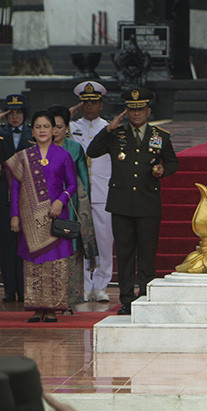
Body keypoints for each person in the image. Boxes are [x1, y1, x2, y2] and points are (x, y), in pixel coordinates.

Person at [86, 87, 178, 315]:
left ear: (148, 111)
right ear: (126, 112)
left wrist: (162, 170)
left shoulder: (160, 136)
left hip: (148, 202)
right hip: (121, 203)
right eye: (132, 110)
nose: (136, 115)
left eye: (140, 110)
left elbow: (173, 163)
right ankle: (126, 298)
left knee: (147, 253)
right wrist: (107, 130)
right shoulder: (116, 134)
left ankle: (146, 295)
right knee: (125, 253)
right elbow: (92, 151)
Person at [4, 111, 79, 323]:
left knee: (55, 264)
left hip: (55, 216)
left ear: (54, 130)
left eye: (47, 126)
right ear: (32, 130)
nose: (43, 130)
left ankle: (52, 308)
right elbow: (16, 190)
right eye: (38, 127)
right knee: (33, 263)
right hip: (29, 219)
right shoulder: (24, 156)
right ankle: (37, 308)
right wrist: (15, 216)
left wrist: (60, 200)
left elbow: (72, 184)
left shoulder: (63, 155)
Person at [69, 81, 113, 304]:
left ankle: (101, 286)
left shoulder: (109, 128)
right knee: (83, 242)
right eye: (85, 103)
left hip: (103, 193)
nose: (89, 107)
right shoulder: (72, 127)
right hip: (80, 193)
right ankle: (85, 285)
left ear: (101, 104)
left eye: (94, 103)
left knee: (105, 242)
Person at [48, 105, 92, 310]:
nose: (54, 131)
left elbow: (83, 179)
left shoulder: (74, 149)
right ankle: (47, 299)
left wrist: (84, 207)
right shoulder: (37, 148)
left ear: (66, 127)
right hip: (44, 206)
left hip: (70, 203)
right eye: (51, 126)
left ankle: (70, 299)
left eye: (58, 126)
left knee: (70, 249)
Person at [1, 94, 32, 303]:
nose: (15, 117)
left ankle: (24, 289)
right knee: (7, 243)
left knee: (26, 243)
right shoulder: (0, 133)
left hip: (28, 195)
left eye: (19, 113)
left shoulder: (32, 133)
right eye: (11, 113)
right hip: (4, 193)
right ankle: (9, 289)